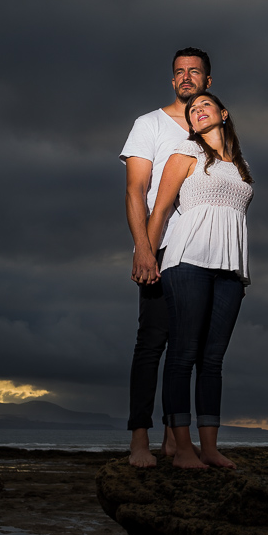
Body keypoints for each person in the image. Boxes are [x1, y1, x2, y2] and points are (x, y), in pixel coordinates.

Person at [147, 91, 254, 469]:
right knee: (183, 355)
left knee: (212, 361)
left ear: (223, 114)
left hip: (230, 270)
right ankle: (183, 449)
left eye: (205, 105)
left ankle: (209, 449)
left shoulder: (240, 166)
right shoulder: (185, 154)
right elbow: (159, 209)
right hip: (187, 261)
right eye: (193, 110)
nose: (198, 111)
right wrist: (145, 252)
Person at [119, 48, 212, 467]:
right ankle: (140, 438)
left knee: (190, 348)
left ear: (208, 81)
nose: (186, 77)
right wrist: (142, 248)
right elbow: (136, 189)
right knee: (151, 343)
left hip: (201, 252)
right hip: (161, 247)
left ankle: (178, 440)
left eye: (194, 71)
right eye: (179, 72)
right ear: (172, 80)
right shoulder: (150, 124)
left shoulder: (212, 128)